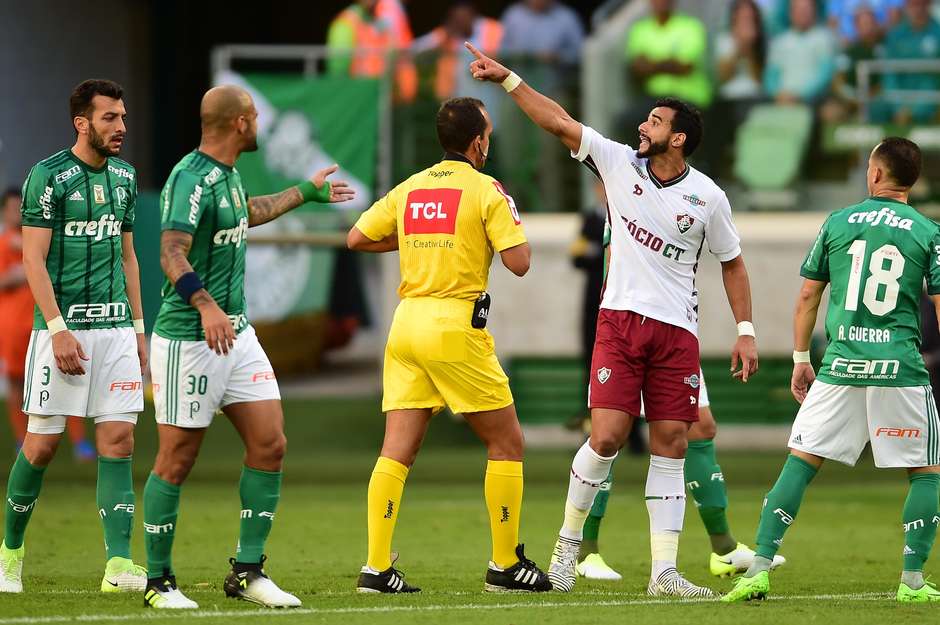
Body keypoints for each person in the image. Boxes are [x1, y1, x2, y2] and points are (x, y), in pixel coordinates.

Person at [467, 43, 759, 597]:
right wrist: (509, 79)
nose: (642, 126)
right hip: (620, 323)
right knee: (606, 437)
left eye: (655, 121)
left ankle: (664, 573)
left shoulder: (708, 197)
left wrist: (745, 331)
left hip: (678, 332)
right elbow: (557, 121)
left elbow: (734, 263)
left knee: (673, 440)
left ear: (679, 138)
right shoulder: (619, 161)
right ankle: (567, 549)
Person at [141, 85, 354, 609]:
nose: (259, 123)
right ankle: (158, 582)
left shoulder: (229, 176)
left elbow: (246, 212)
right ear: (239, 123)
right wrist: (206, 305)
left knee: (270, 443)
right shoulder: (190, 177)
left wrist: (305, 191)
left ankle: (248, 572)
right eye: (255, 115)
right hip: (191, 336)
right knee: (177, 456)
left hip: (236, 333)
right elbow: (170, 252)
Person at [347, 97, 551, 594]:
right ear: (478, 140)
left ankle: (376, 567)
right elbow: (520, 262)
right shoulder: (486, 189)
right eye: (489, 132)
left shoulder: (413, 187)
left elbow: (356, 237)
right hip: (454, 325)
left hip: (406, 326)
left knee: (396, 450)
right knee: (507, 442)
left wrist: (418, 242)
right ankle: (505, 564)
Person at [723, 137, 940, 603]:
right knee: (926, 471)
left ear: (876, 174)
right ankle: (913, 581)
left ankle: (759, 568)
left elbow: (807, 296)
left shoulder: (838, 222)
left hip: (841, 365)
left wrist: (802, 359)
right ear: (912, 181)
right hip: (899, 367)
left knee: (800, 463)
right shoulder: (928, 231)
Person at [0, 79, 148, 594]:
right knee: (41, 445)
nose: (121, 127)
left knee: (119, 440)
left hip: (115, 333)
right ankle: (10, 555)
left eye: (123, 117)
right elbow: (32, 259)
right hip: (63, 332)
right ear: (81, 122)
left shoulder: (126, 177)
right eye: (110, 118)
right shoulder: (49, 176)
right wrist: (58, 329)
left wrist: (138, 328)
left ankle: (118, 566)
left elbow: (129, 257)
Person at [578, 370, 787, 581]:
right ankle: (585, 552)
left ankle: (725, 549)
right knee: (609, 436)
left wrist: (745, 335)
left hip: (677, 344)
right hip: (629, 345)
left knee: (701, 428)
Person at [0, 189, 95, 461]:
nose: (17, 212)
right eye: (12, 208)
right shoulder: (4, 243)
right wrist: (15, 276)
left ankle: (79, 442)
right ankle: (22, 439)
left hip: (45, 323)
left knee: (66, 376)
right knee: (16, 380)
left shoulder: (43, 241)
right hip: (11, 327)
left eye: (21, 207)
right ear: (5, 212)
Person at [627, 0, 712, 111]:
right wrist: (670, 61)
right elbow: (638, 69)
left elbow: (684, 67)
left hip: (689, 98)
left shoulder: (691, 26)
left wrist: (652, 64)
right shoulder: (639, 29)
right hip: (653, 99)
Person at [327, 0, 417, 102]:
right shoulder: (346, 22)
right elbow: (338, 69)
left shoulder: (384, 21)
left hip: (380, 96)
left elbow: (398, 56)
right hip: (356, 96)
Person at [878, 0, 940, 124]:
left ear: (928, 5)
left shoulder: (937, 33)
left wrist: (913, 110)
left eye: (920, 4)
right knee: (877, 108)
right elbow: (889, 74)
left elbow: (934, 80)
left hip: (930, 95)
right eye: (913, 5)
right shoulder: (895, 35)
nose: (917, 9)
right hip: (899, 94)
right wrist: (898, 106)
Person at [764, 0, 837, 104]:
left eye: (806, 9)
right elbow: (771, 77)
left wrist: (800, 95)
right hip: (782, 101)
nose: (803, 13)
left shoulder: (824, 39)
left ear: (814, 11)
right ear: (790, 12)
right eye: (798, 9)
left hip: (814, 102)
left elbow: (825, 75)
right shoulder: (779, 42)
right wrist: (778, 94)